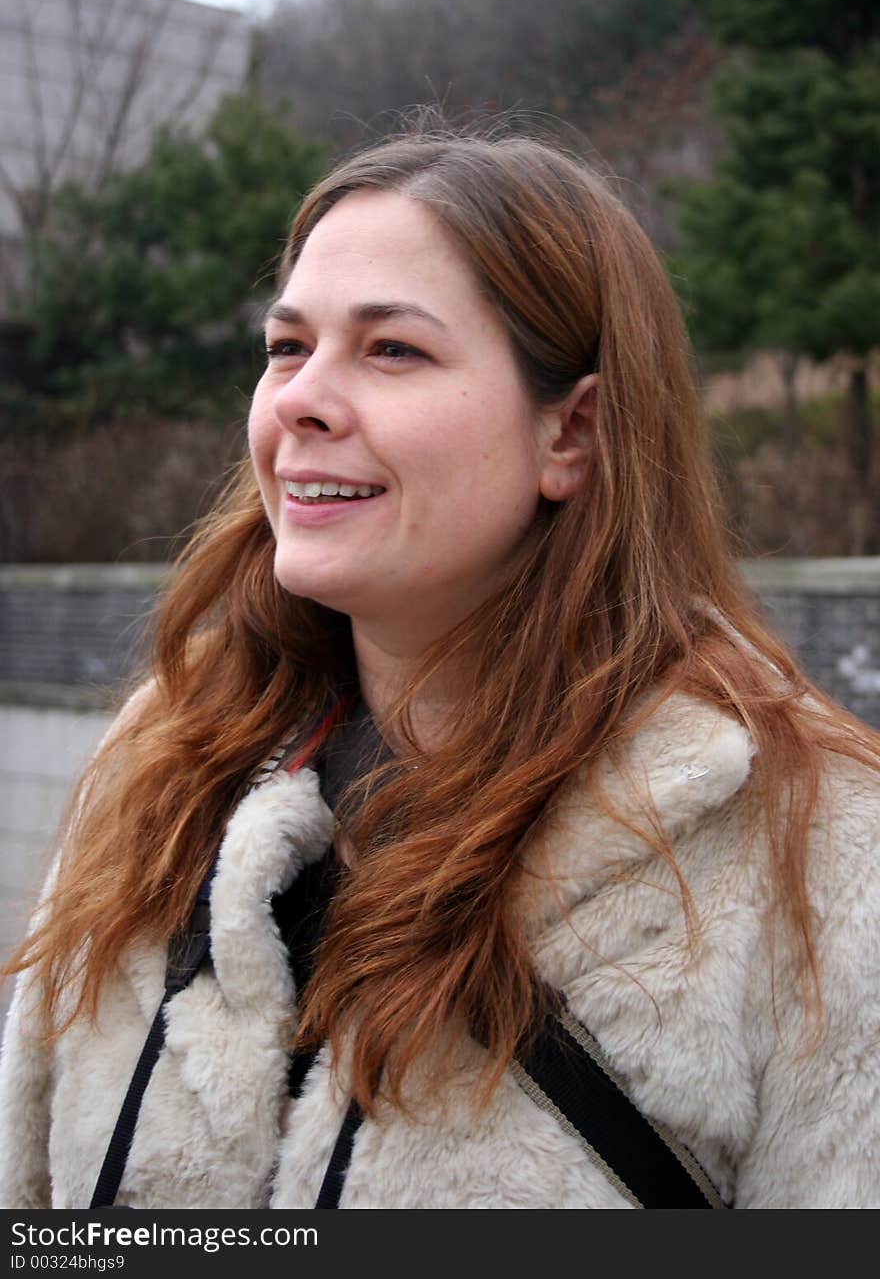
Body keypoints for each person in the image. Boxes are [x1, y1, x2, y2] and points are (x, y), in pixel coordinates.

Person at [1, 129, 878, 1211]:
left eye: (391, 351)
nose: (298, 403)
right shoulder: (164, 760)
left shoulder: (819, 849)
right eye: (285, 348)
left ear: (573, 431)